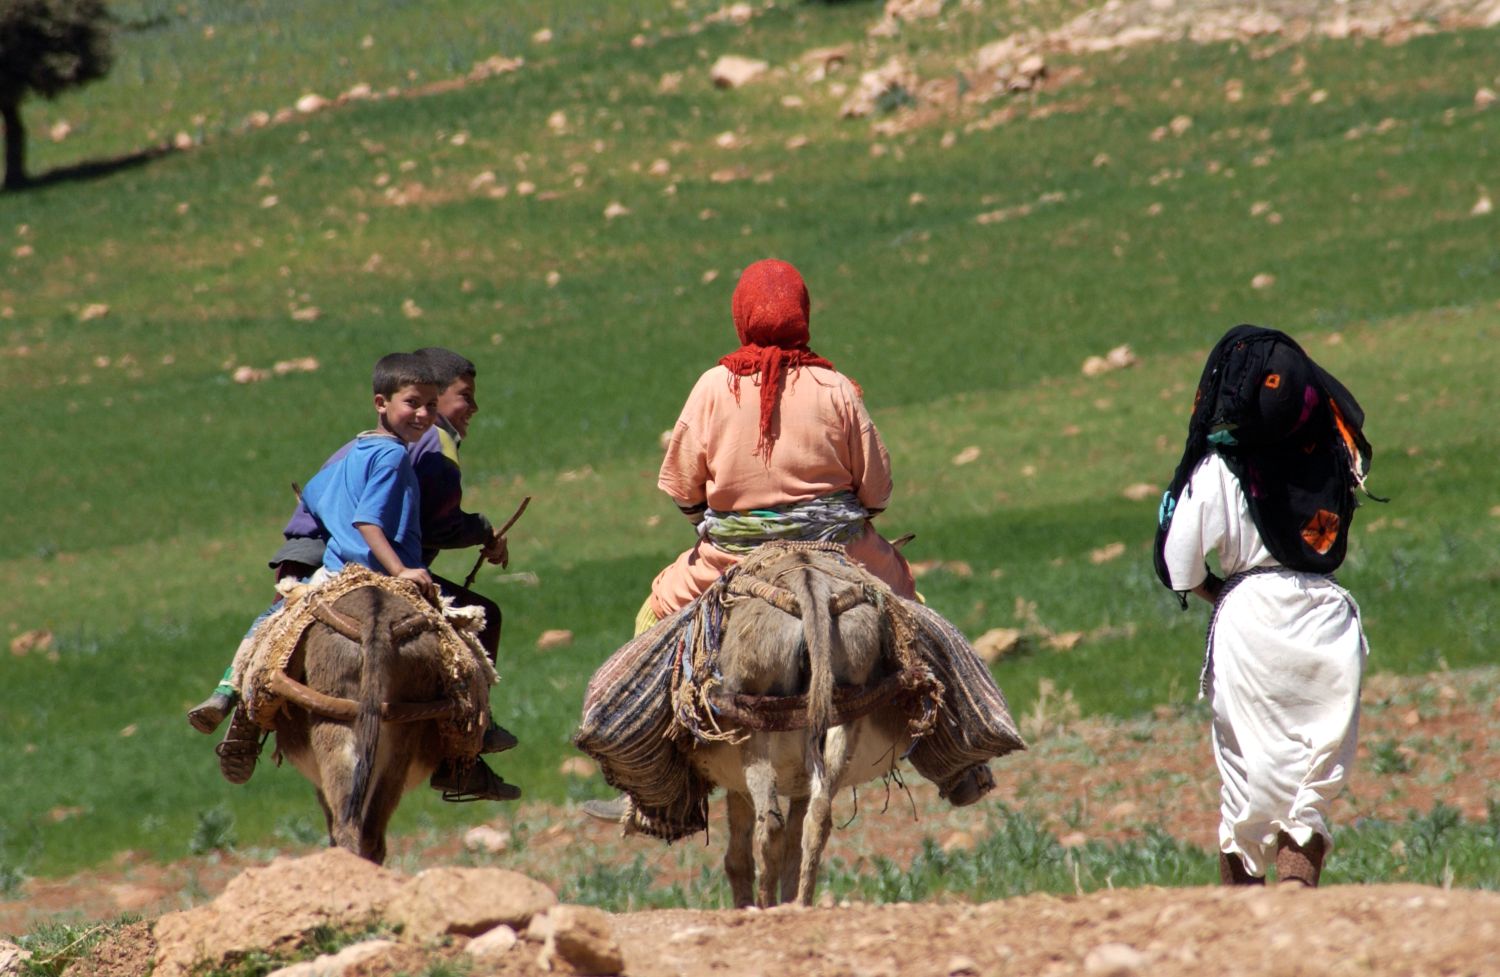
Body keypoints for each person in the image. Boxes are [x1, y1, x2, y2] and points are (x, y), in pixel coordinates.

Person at [585, 258, 968, 825]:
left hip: (731, 557)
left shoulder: (713, 386)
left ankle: (652, 788)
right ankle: (954, 757)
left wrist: (714, 519)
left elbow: (681, 486)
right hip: (843, 552)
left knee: (655, 615)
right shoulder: (837, 387)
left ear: (740, 317)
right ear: (803, 314)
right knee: (917, 624)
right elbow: (878, 491)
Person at [194, 352, 519, 802]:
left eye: (428, 405)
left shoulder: (358, 446)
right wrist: (409, 564)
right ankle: (462, 752)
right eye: (462, 397)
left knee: (277, 631)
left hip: (324, 561)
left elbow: (315, 495)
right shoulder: (411, 452)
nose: (426, 414)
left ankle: (239, 713)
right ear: (384, 402)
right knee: (466, 641)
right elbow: (383, 520)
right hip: (373, 567)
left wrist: (336, 531)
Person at [1153, 324, 1379, 887]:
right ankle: (1299, 892)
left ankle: (1247, 923)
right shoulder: (1331, 452)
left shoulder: (1219, 468)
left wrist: (1217, 592)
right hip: (1327, 622)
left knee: (1246, 777)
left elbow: (1180, 563)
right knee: (1311, 778)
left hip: (1250, 621)